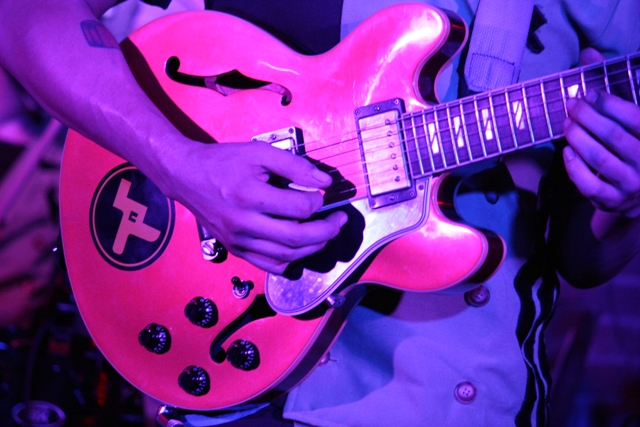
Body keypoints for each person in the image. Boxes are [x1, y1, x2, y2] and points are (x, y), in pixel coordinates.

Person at [1, 0, 639, 426]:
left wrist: (626, 202)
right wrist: (179, 164)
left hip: (442, 398)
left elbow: (585, 257)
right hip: (219, 374)